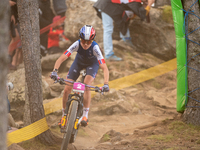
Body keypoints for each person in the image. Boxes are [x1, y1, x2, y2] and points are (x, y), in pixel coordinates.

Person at [50, 25, 110, 127]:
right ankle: (64, 116)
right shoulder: (76, 44)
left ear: (92, 41)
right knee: (66, 89)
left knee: (86, 85)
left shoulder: (95, 47)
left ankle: (85, 115)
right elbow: (61, 58)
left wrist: (106, 84)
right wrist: (55, 71)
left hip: (92, 65)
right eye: (83, 41)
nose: (86, 44)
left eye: (89, 42)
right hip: (78, 63)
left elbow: (104, 67)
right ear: (80, 39)